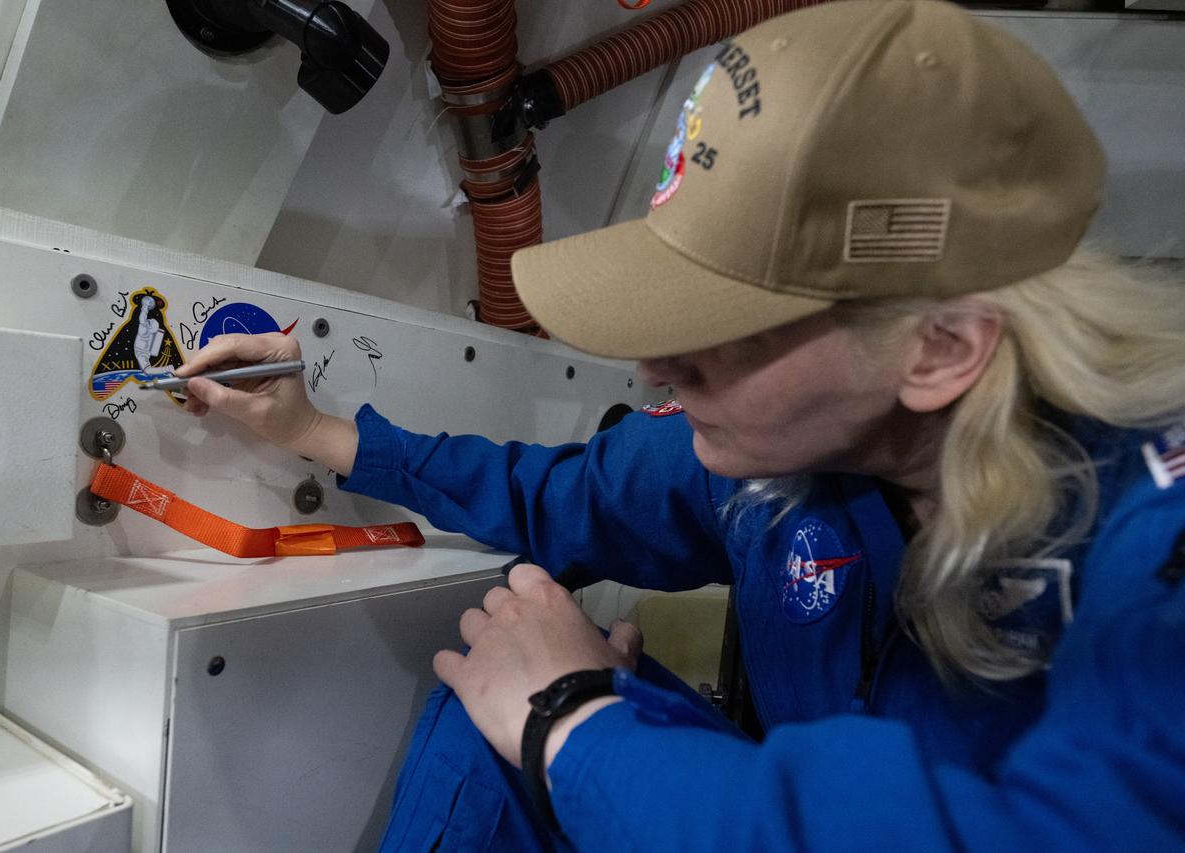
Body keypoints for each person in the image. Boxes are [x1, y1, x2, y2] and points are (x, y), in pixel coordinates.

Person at [175, 0, 1185, 848]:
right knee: (489, 704)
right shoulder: (768, 453)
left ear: (937, 351)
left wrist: (576, 724)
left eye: (718, 330)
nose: (655, 368)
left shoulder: (1151, 535)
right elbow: (564, 494)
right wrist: (313, 430)